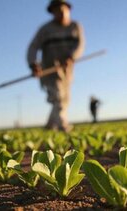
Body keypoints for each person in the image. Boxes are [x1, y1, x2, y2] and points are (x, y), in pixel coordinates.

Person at [27, 0, 85, 132]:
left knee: (64, 99)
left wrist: (72, 57)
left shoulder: (75, 26)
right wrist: (33, 64)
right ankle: (62, 125)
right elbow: (33, 47)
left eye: (63, 9)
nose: (60, 12)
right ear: (52, 12)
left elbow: (80, 45)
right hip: (49, 70)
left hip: (67, 71)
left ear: (68, 10)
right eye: (57, 10)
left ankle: (49, 125)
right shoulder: (45, 29)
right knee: (58, 97)